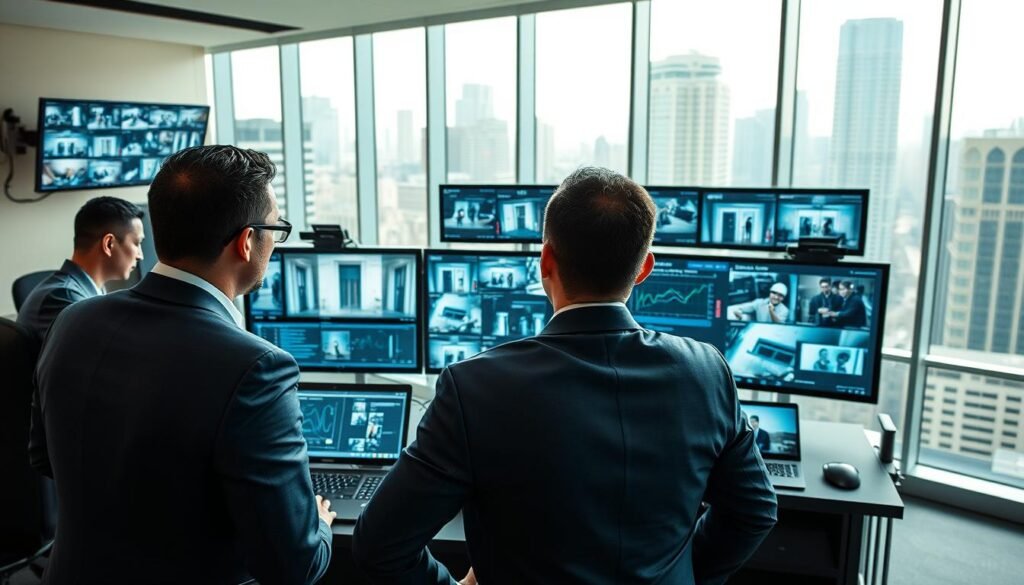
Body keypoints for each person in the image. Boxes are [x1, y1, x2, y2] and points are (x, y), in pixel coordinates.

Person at [353, 167, 777, 585]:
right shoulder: (706, 371)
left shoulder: (473, 387)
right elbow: (754, 510)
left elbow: (379, 546)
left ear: (545, 260)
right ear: (644, 268)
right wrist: (681, 574)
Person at [29, 146, 333, 583]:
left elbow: (44, 458)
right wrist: (319, 523)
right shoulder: (256, 366)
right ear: (247, 242)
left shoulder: (73, 319)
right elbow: (296, 566)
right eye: (276, 229)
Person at [17, 196, 145, 343]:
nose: (140, 256)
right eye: (136, 243)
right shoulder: (65, 299)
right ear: (108, 244)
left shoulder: (87, 292)